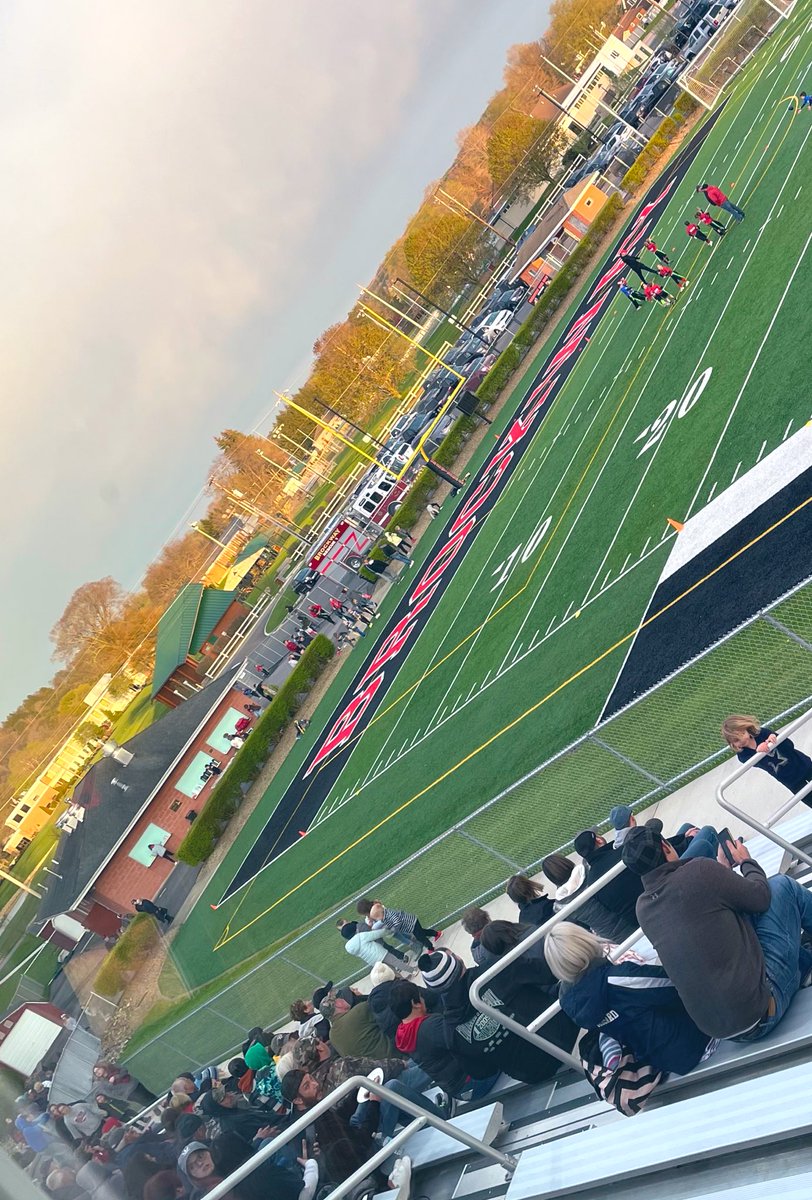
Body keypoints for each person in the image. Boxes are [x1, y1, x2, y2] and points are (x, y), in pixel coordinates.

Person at [622, 822, 812, 1040]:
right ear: (666, 847)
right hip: (765, 1008)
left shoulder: (643, 909)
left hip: (724, 1031)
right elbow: (760, 897)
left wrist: (721, 874)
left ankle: (804, 965)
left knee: (740, 916)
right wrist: (746, 862)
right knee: (781, 885)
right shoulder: (699, 869)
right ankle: (800, 968)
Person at [544, 922, 717, 1075]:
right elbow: (676, 983)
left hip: (662, 1059)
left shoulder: (569, 1003)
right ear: (585, 941)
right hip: (695, 1043)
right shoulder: (618, 979)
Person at [542, 852, 634, 940]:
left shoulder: (560, 906)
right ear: (567, 863)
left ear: (552, 879)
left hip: (613, 936)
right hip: (631, 918)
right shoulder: (589, 868)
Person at [722, 714, 812, 803]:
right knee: (809, 799)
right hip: (790, 780)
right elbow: (752, 762)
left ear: (747, 729)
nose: (741, 741)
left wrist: (774, 739)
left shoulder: (762, 733)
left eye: (742, 734)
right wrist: (758, 751)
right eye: (736, 740)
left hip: (803, 765)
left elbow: (789, 745)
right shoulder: (743, 755)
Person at [573, 830, 643, 931]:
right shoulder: (623, 853)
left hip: (638, 923)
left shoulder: (592, 883)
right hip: (657, 900)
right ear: (599, 840)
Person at [318, 990, 407, 1060]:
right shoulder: (359, 1010)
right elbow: (390, 1015)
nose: (341, 999)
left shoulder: (332, 1036)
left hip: (375, 1073)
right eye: (337, 999)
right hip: (397, 1056)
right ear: (338, 1004)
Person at [357, 897, 442, 953]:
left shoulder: (389, 915)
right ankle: (436, 934)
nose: (378, 920)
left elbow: (397, 922)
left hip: (411, 923)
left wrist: (394, 929)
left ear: (380, 915)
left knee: (420, 937)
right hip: (411, 924)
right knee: (423, 932)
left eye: (377, 918)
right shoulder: (384, 916)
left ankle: (430, 948)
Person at [337, 919, 410, 976]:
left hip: (377, 942)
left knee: (389, 950)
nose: (345, 928)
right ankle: (398, 967)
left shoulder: (359, 926)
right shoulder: (350, 937)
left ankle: (403, 957)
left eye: (345, 925)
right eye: (342, 928)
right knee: (388, 959)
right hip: (371, 949)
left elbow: (371, 933)